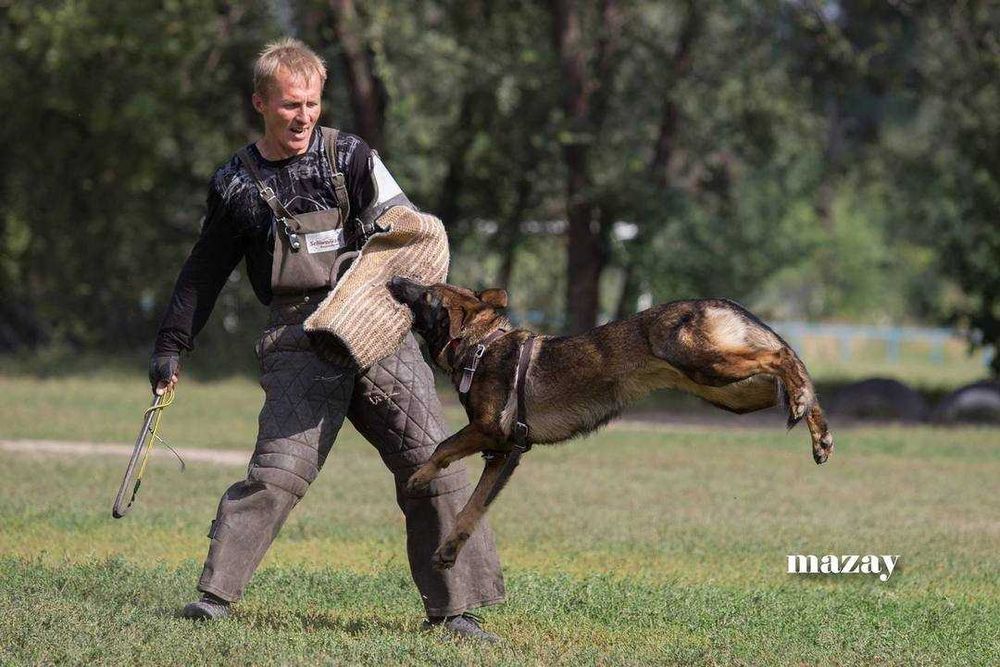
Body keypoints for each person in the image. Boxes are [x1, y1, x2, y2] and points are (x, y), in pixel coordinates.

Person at [149, 38, 505, 642]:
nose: (303, 117)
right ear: (260, 102)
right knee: (277, 472)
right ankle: (215, 598)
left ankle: (456, 611)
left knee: (433, 464)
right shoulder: (236, 183)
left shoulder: (353, 158)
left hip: (377, 329)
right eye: (290, 104)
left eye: (312, 103)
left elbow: (410, 227)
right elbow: (203, 270)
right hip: (299, 337)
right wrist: (171, 345)